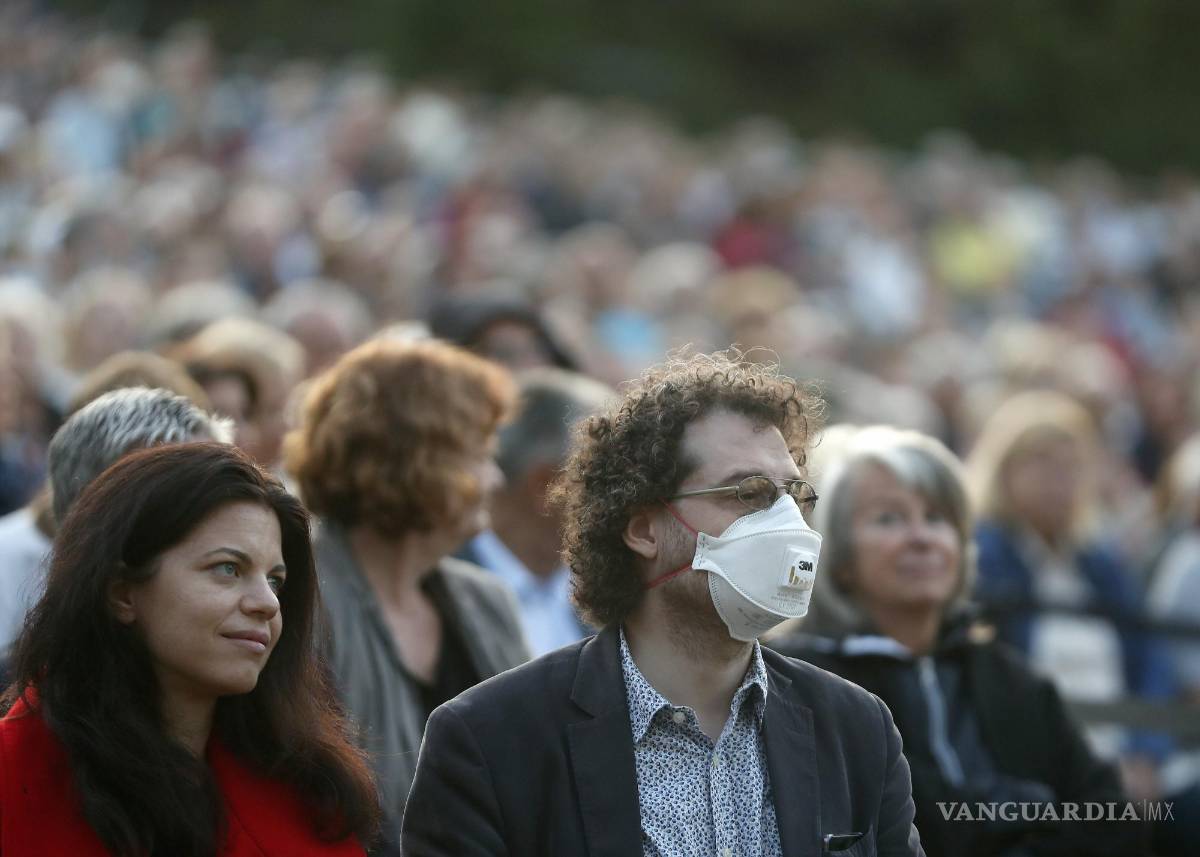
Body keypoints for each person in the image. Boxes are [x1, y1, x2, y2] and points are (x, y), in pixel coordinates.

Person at [402, 350, 924, 856]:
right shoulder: (491, 740)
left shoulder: (856, 727)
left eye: (795, 496)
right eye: (747, 493)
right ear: (643, 530)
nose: (785, 522)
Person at [769, 425, 1144, 857]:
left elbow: (1112, 815)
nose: (922, 538)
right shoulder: (800, 682)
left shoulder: (1002, 672)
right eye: (888, 518)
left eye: (937, 518)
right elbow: (911, 829)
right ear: (840, 555)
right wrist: (1032, 809)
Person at [0, 442, 380, 855]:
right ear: (122, 592)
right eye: (228, 569)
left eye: (275, 580)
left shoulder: (310, 792)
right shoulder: (15, 778)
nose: (268, 603)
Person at [283, 337, 530, 851]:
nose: (496, 477)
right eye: (481, 453)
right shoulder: (300, 598)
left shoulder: (487, 602)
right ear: (419, 458)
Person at [966, 391, 1174, 787]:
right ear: (1003, 470)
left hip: (1119, 755)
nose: (1057, 481)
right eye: (1041, 463)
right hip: (1029, 766)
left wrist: (1146, 753)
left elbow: (1151, 662)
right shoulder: (983, 559)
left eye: (1070, 466)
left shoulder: (1100, 563)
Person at [0, 381, 229, 649]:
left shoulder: (258, 670)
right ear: (88, 523)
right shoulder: (22, 686)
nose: (265, 604)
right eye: (177, 505)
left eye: (219, 495)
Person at [460, 367, 611, 655]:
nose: (629, 493)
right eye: (607, 472)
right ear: (546, 484)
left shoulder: (608, 600)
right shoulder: (435, 591)